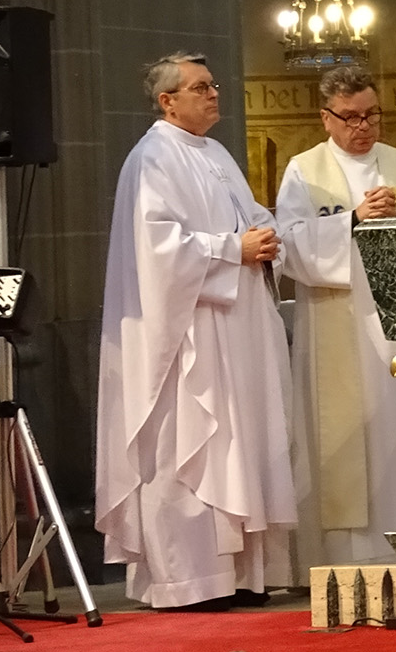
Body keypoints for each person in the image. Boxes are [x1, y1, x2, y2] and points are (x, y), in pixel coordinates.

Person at [95, 53, 296, 609]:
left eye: (213, 85)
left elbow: (252, 216)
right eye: (201, 87)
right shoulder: (152, 158)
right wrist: (233, 249)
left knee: (238, 440)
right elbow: (156, 249)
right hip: (189, 334)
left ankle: (241, 575)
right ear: (168, 101)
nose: (213, 94)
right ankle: (190, 579)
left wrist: (265, 237)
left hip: (235, 325)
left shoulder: (216, 153)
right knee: (192, 441)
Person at [274, 66, 396, 571]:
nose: (363, 127)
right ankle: (350, 555)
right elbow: (289, 244)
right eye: (350, 117)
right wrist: (354, 220)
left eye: (371, 115)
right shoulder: (304, 170)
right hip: (337, 321)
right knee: (346, 433)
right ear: (326, 118)